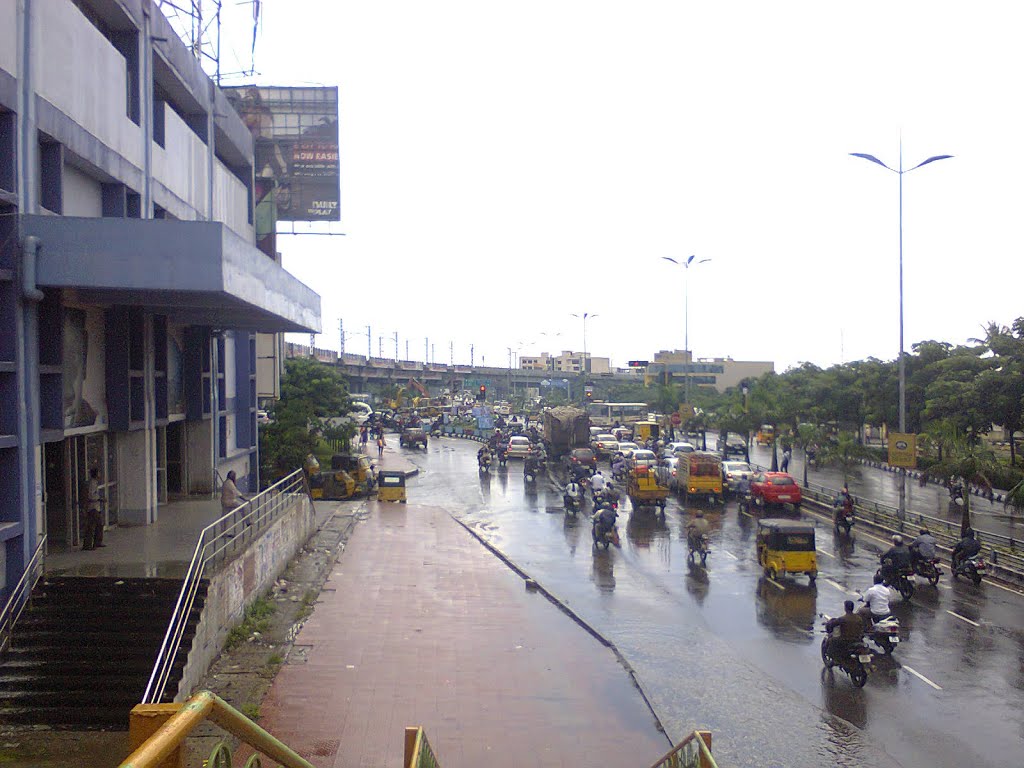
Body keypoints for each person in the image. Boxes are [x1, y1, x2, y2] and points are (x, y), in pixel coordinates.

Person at [81, 468, 105, 550]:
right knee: (91, 526)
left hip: (96, 507)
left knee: (99, 525)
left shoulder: (95, 483)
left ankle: (97, 542)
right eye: (98, 473)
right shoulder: (92, 484)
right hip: (93, 507)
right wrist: (99, 499)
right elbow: (91, 496)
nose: (100, 474)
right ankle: (88, 545)